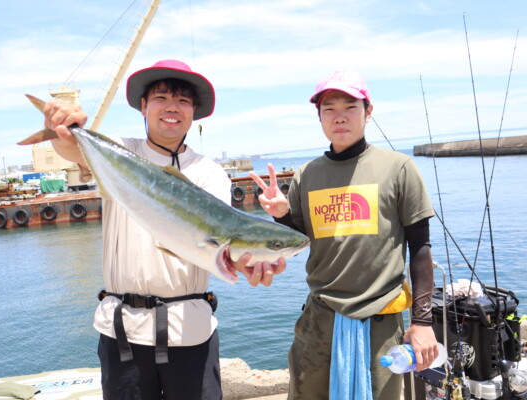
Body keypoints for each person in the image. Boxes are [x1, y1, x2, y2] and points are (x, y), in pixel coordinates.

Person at [42, 59, 286, 400]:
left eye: (183, 100)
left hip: (189, 332)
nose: (172, 107)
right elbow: (71, 149)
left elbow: (217, 239)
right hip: (123, 333)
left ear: (194, 112)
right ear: (143, 106)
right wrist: (63, 128)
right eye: (161, 97)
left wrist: (250, 263)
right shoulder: (119, 151)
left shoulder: (209, 173)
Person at [250, 70, 438, 400]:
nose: (339, 117)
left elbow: (420, 247)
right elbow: (301, 240)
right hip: (319, 319)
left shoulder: (399, 168)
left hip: (381, 318)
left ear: (368, 111)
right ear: (319, 117)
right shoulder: (307, 174)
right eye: (329, 108)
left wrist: (422, 322)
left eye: (350, 106)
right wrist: (283, 216)